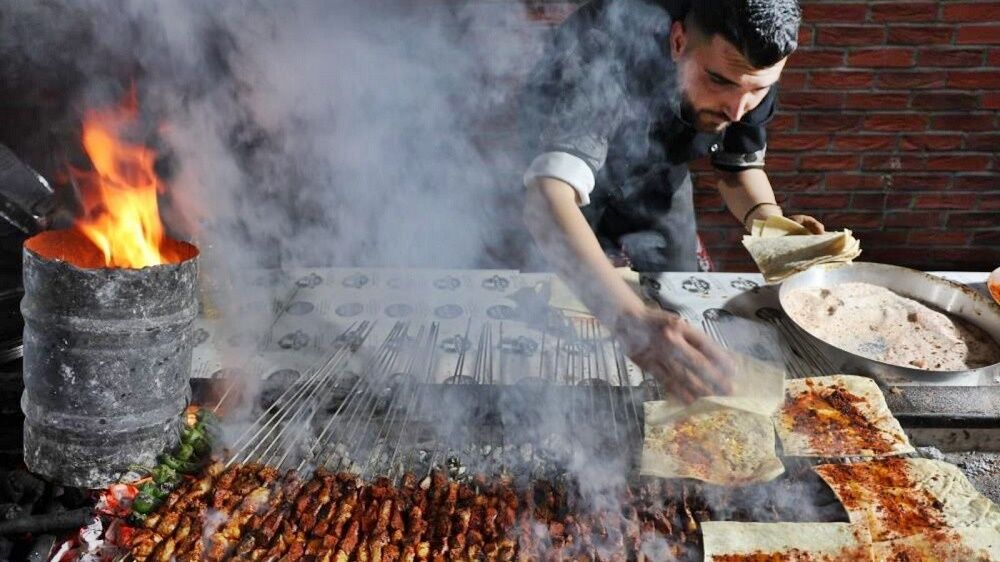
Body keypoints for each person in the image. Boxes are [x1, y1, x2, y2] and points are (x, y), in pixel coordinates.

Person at [520, 0, 825, 403]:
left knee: (679, 300)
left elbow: (737, 169)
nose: (737, 110)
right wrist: (630, 320)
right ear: (679, 41)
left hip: (661, 178)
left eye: (757, 90)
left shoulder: (751, 65)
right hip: (559, 183)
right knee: (554, 312)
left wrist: (770, 224)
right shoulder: (603, 46)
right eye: (718, 80)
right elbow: (547, 199)